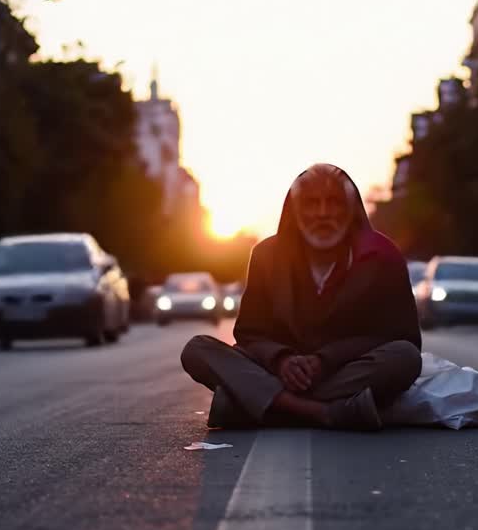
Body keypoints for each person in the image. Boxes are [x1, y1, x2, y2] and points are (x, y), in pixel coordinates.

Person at [181, 163, 422, 431]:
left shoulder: (382, 256)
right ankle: (324, 412)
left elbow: (403, 337)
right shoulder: (266, 255)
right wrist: (282, 360)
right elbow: (250, 334)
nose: (322, 214)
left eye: (334, 203)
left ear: (351, 209)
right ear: (294, 210)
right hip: (279, 372)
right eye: (311, 203)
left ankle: (264, 406)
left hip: (344, 370)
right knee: (197, 349)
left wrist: (325, 360)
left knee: (405, 357)